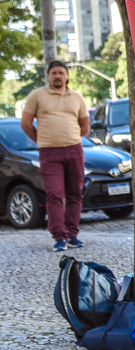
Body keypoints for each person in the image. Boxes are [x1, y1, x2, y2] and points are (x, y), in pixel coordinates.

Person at [21, 61, 90, 252]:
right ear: (48, 76)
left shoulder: (77, 97)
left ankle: (73, 235)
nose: (57, 76)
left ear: (67, 76)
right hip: (49, 152)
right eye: (54, 73)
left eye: (61, 72)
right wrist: (42, 140)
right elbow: (25, 123)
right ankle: (59, 237)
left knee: (75, 194)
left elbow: (84, 124)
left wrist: (72, 138)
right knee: (55, 194)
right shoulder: (37, 95)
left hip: (74, 150)